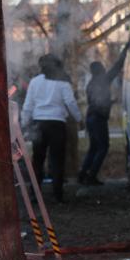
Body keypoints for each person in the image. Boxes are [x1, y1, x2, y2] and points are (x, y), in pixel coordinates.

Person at [22, 54, 82, 203]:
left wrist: (24, 123)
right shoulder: (63, 83)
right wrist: (80, 119)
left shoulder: (35, 82)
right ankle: (57, 194)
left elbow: (28, 105)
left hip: (39, 124)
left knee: (38, 160)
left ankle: (35, 194)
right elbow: (71, 102)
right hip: (57, 124)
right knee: (57, 160)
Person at [79, 43, 130, 185]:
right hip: (98, 119)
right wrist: (125, 49)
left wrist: (111, 101)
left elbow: (96, 102)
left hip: (91, 117)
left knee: (94, 148)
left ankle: (83, 174)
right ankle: (91, 176)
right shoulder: (103, 80)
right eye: (102, 67)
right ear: (100, 70)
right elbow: (117, 66)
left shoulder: (91, 83)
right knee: (103, 147)